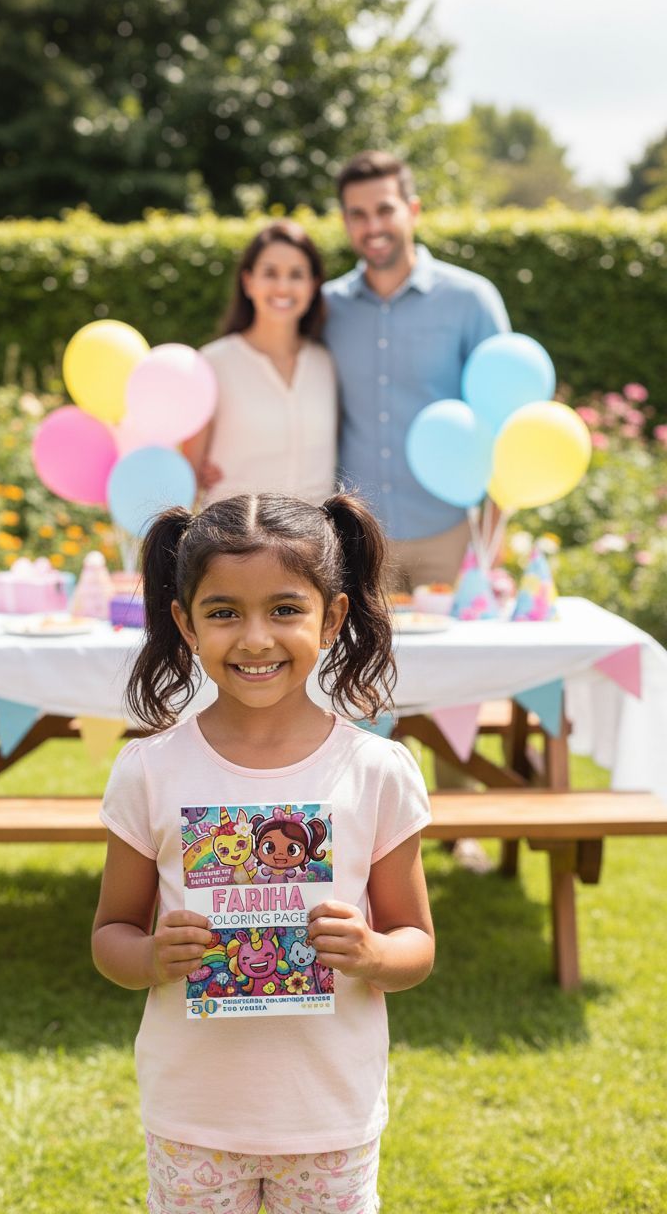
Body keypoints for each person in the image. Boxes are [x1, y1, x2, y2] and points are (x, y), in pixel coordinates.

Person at [92, 491, 434, 1214]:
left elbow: (417, 946)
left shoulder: (377, 772)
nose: (254, 639)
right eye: (224, 612)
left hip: (328, 1117)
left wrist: (372, 951)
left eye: (285, 609)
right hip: (194, 1117)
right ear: (185, 623)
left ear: (332, 616)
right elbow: (109, 936)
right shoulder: (148, 771)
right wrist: (151, 956)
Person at [323, 150, 511, 591]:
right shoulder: (326, 309)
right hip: (359, 542)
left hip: (453, 536)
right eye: (358, 214)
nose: (373, 227)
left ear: (412, 210)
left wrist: (492, 536)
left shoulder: (471, 300)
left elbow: (505, 419)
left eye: (385, 209)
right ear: (346, 222)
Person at [183, 220, 337, 506]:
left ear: (314, 285)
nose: (282, 286)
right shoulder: (213, 363)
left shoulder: (325, 362)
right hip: (235, 542)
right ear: (248, 281)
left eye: (296, 274)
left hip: (314, 543)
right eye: (270, 273)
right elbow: (188, 477)